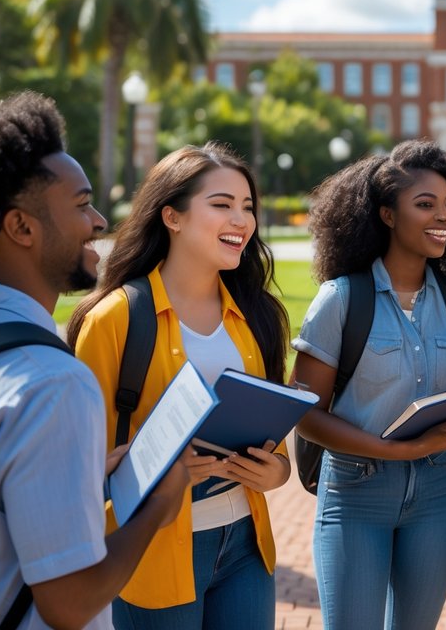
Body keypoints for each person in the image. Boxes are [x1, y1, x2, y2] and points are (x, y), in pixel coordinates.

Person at [0, 93, 189, 630]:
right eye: (81, 203)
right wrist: (158, 507)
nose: (97, 221)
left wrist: (84, 473)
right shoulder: (52, 384)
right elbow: (68, 605)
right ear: (22, 228)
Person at [69, 143, 292, 630]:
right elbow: (74, 463)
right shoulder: (114, 318)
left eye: (248, 207)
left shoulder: (256, 315)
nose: (242, 220)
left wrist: (276, 471)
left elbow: (275, 432)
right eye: (222, 204)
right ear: (171, 216)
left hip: (245, 546)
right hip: (147, 552)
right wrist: (160, 469)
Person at [292, 140, 446, 630]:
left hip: (437, 498)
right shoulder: (340, 300)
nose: (443, 217)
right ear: (387, 215)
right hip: (356, 493)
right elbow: (305, 414)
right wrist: (397, 451)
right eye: (425, 205)